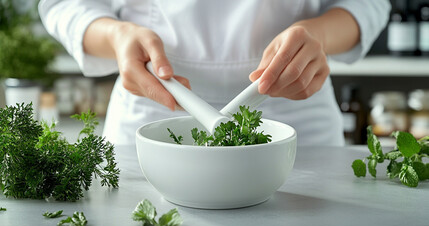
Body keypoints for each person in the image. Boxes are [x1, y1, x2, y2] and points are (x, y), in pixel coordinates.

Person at [39, 0, 390, 146]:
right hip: (153, 108)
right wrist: (116, 37)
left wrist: (320, 35)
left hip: (296, 113)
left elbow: (371, 3)